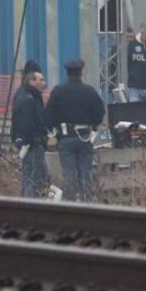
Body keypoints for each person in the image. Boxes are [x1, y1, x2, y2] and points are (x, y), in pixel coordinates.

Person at [44, 58, 106, 201]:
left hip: (65, 137)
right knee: (86, 172)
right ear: (81, 73)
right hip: (85, 137)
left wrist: (54, 130)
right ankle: (87, 203)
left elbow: (48, 115)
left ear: (67, 73)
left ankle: (71, 204)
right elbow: (99, 112)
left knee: (69, 174)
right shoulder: (89, 91)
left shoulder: (58, 91)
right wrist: (94, 126)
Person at [10, 65, 48, 199]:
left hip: (29, 144)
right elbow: (28, 124)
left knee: (33, 178)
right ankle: (31, 205)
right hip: (32, 146)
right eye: (41, 80)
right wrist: (32, 140)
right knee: (33, 179)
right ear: (32, 81)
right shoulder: (28, 99)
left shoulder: (27, 95)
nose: (44, 82)